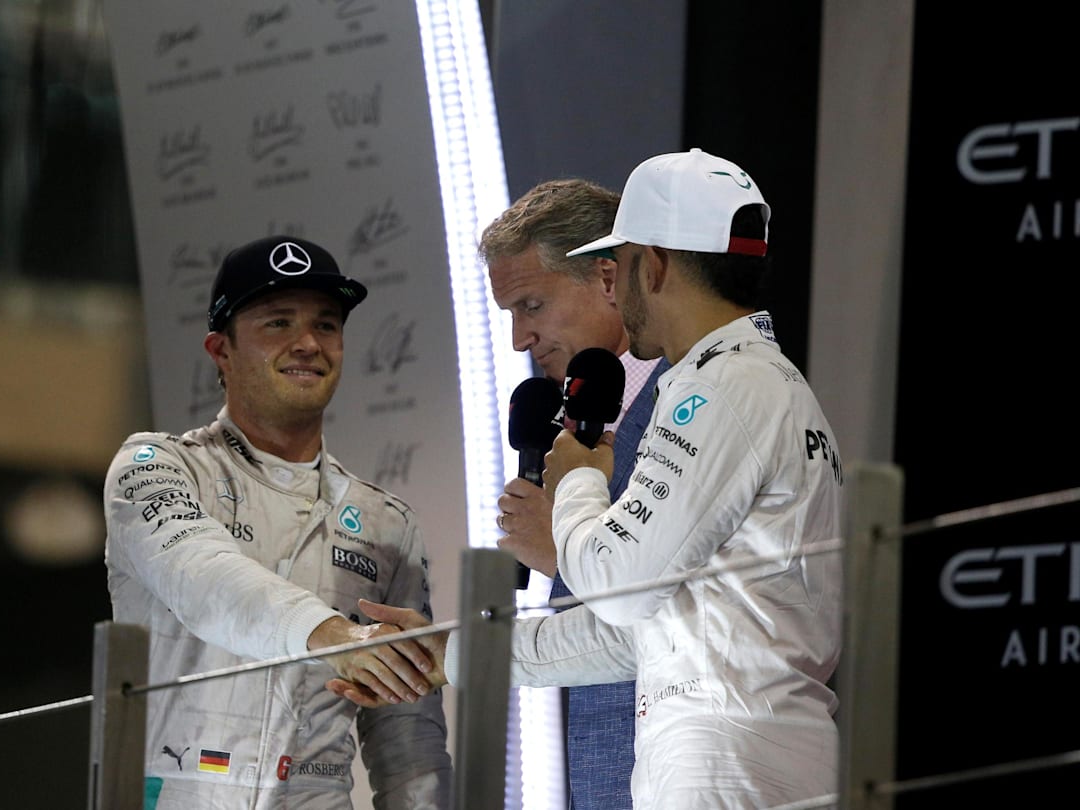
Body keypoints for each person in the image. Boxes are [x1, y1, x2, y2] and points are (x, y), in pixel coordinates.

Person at [337, 149, 845, 809]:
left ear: (649, 266)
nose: (521, 336)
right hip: (733, 748)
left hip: (723, 757)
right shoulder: (754, 382)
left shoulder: (720, 388)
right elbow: (635, 635)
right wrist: (449, 656)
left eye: (624, 264)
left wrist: (578, 481)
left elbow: (620, 589)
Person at [104, 234, 452, 809]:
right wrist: (335, 636)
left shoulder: (387, 524)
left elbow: (408, 742)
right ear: (221, 350)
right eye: (277, 323)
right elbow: (200, 576)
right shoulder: (156, 466)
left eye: (327, 324)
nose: (308, 343)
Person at [478, 178, 670, 810]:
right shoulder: (571, 419)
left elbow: (697, 599)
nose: (518, 339)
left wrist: (559, 555)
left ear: (608, 279)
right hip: (601, 768)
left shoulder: (691, 401)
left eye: (531, 305)